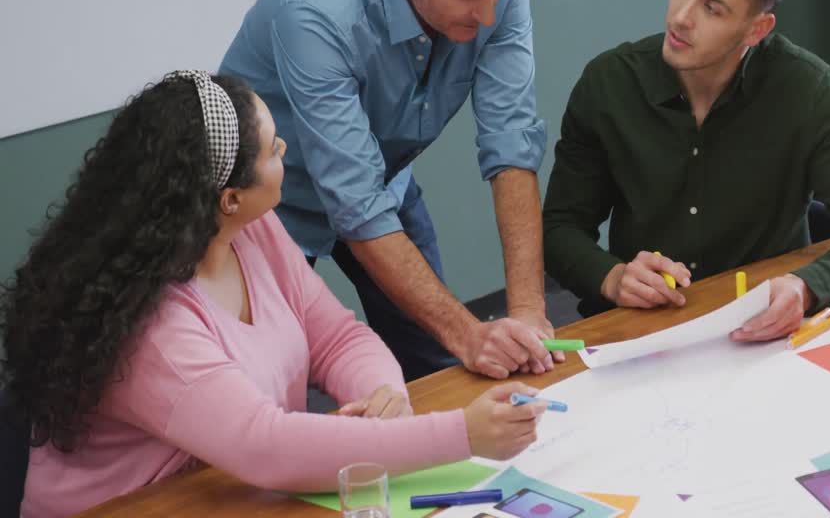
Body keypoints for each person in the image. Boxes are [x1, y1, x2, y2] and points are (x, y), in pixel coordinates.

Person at [2, 72, 545, 518]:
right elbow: (267, 447)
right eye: (272, 149)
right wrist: (462, 433)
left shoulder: (253, 231)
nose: (286, 147)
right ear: (229, 198)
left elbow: (337, 336)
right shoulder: (155, 328)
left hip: (233, 495)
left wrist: (385, 398)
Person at [220, 0, 557, 382]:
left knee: (437, 365)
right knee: (268, 384)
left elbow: (511, 141)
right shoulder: (316, 11)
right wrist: (471, 333)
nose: (490, 12)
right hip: (269, 209)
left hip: (383, 179)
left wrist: (529, 311)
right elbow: (353, 205)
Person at [542, 0, 830, 341]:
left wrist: (805, 286)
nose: (681, 17)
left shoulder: (806, 90)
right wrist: (612, 276)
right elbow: (559, 230)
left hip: (762, 336)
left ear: (756, 29)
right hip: (641, 339)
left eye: (711, 8)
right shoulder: (608, 85)